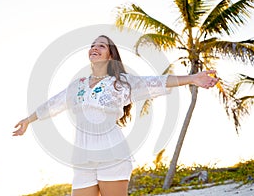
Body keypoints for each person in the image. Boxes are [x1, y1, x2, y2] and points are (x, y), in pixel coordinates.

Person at [13, 35, 218, 196]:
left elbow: (157, 81)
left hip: (112, 156)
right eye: (93, 44)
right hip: (82, 158)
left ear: (111, 55)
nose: (95, 47)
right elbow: (53, 104)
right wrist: (28, 120)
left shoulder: (121, 83)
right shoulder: (78, 85)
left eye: (101, 45)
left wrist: (192, 78)